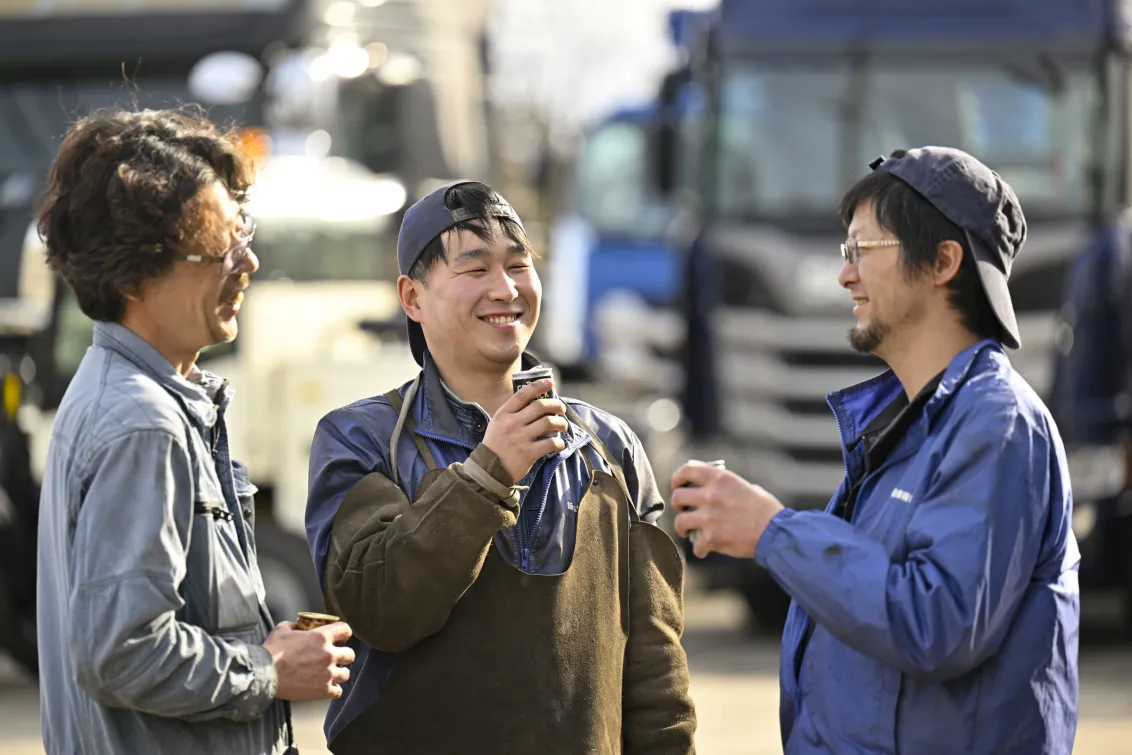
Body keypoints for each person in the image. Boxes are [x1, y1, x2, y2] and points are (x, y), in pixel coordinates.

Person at [672, 147, 1079, 754]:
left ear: (944, 261)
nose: (845, 275)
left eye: (864, 250)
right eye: (846, 252)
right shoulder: (913, 426)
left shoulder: (997, 423)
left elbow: (936, 625)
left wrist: (774, 532)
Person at [305, 181, 697, 754]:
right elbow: (378, 610)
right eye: (475, 270)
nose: (506, 289)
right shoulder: (363, 441)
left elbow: (656, 665)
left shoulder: (609, 447)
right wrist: (486, 475)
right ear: (412, 298)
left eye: (519, 265)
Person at [35, 108, 355, 755]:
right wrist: (267, 670)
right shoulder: (141, 423)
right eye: (219, 249)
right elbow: (121, 651)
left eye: (245, 234)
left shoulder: (138, 396)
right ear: (134, 275)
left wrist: (264, 642)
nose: (249, 262)